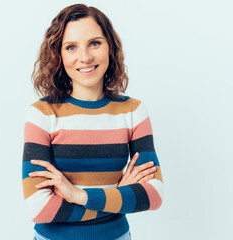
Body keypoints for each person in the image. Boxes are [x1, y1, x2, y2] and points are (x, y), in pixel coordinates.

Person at [22, 4, 164, 240]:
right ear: (59, 55)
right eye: (71, 47)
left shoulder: (133, 111)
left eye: (94, 43)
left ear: (110, 47)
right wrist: (118, 195)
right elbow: (41, 209)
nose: (85, 57)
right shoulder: (42, 114)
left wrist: (78, 195)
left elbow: (153, 196)